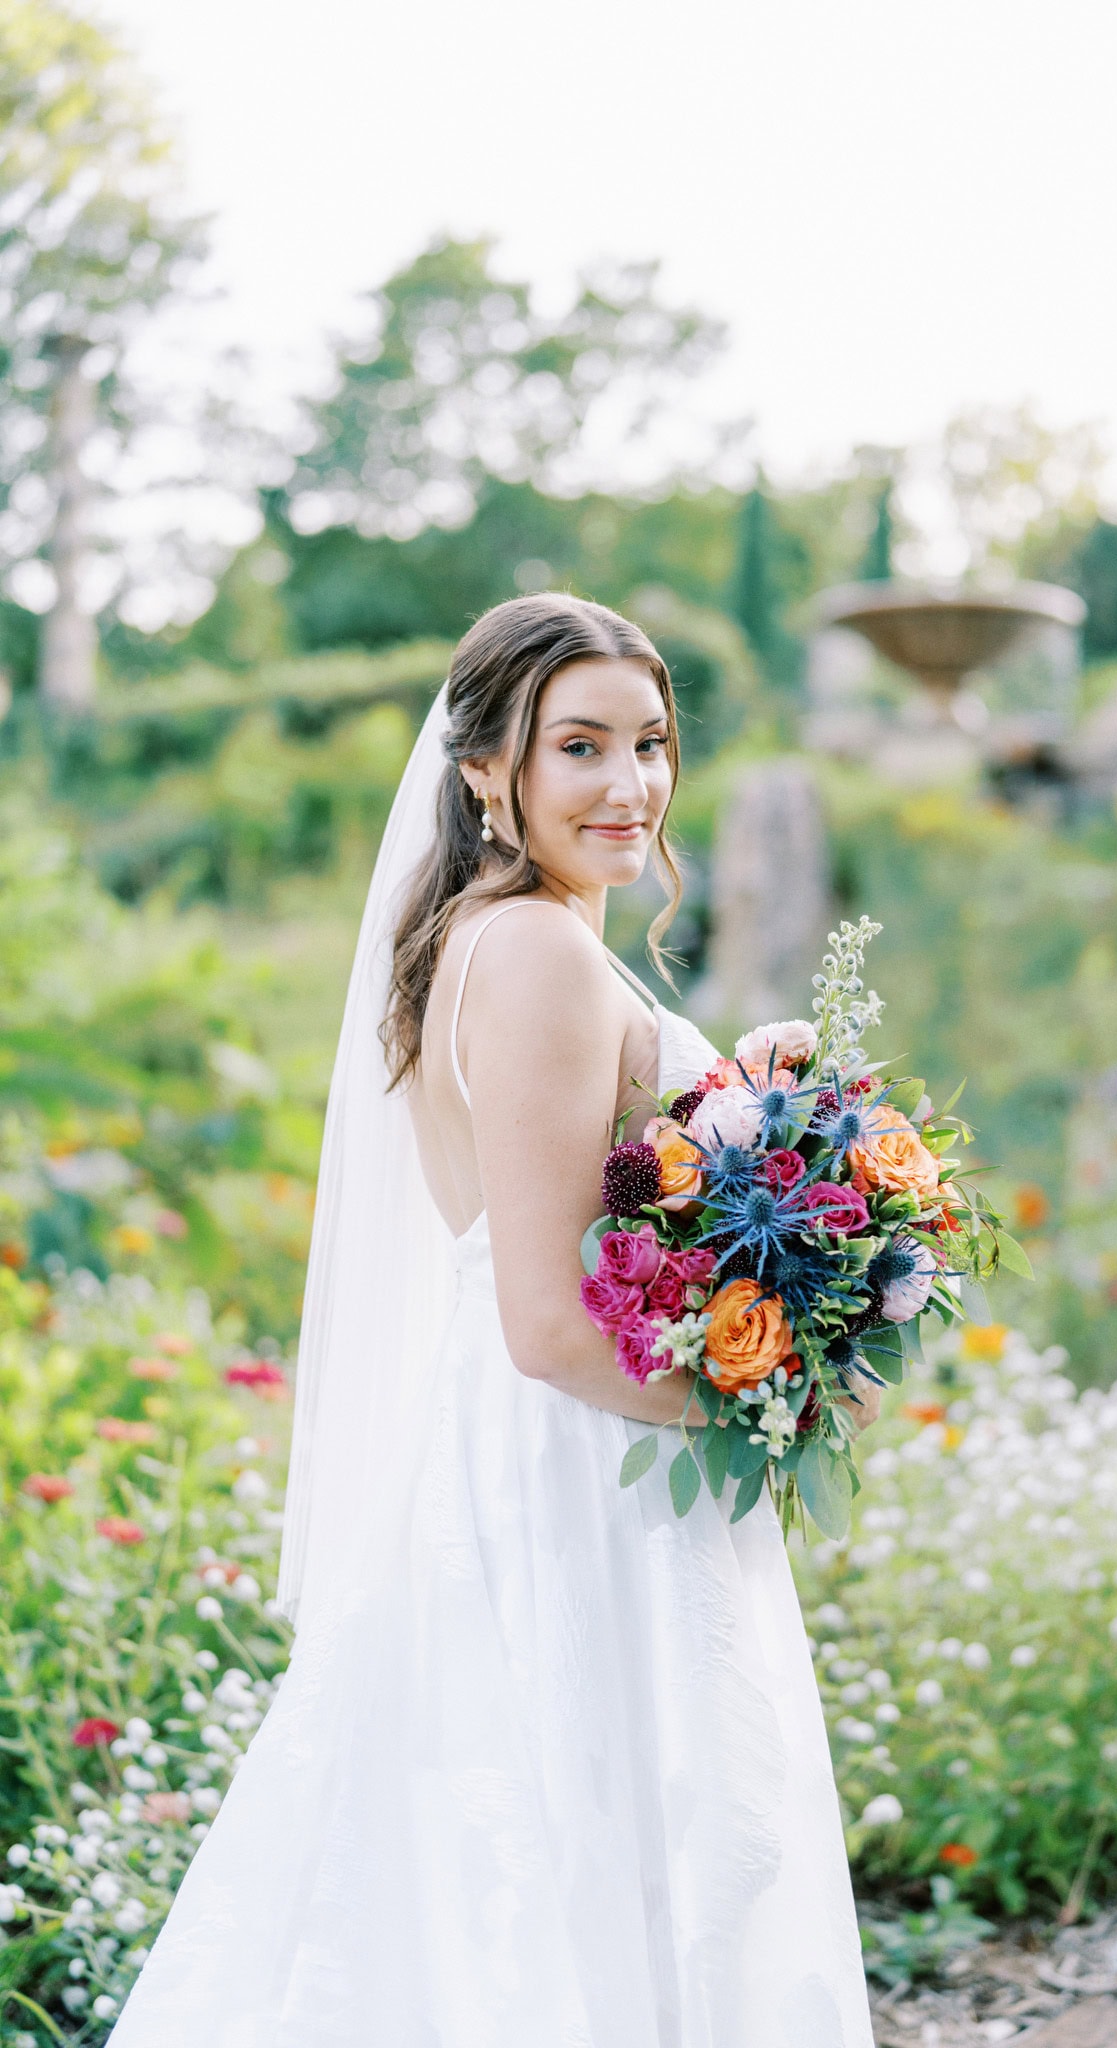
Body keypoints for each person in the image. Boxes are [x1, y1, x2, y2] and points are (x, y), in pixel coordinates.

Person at [109, 593, 878, 2046]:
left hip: (549, 1455)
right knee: (584, 1863)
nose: (630, 784)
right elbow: (547, 1319)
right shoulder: (531, 952)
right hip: (576, 1476)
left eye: (650, 743)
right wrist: (779, 1398)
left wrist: (742, 1106)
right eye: (578, 746)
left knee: (534, 1866)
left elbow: (609, 1201)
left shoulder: (504, 936)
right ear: (485, 773)